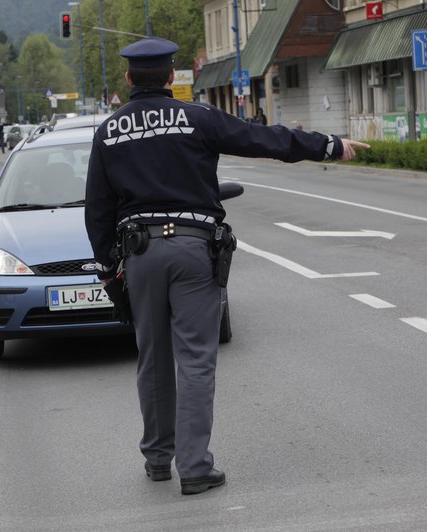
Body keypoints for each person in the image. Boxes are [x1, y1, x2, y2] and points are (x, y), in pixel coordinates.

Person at [84, 37, 369, 496]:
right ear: (173, 75)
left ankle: (158, 459)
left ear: (129, 78)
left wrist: (106, 265)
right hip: (193, 249)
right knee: (196, 359)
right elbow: (264, 139)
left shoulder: (110, 131)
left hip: (139, 254)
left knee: (152, 358)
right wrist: (328, 146)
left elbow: (97, 207)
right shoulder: (197, 117)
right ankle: (195, 468)